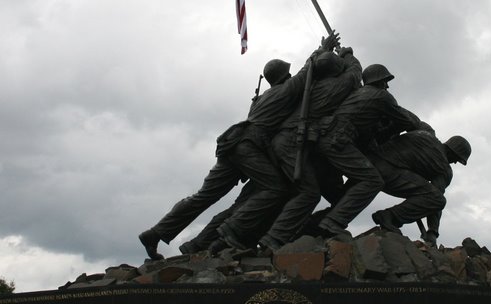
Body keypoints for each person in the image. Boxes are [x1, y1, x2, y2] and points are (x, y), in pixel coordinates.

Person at [138, 34, 338, 260]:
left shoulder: (263, 97)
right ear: (285, 77)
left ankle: (156, 233)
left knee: (204, 196)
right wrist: (323, 49)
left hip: (232, 143)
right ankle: (230, 232)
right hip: (248, 146)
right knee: (276, 189)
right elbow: (307, 73)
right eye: (288, 74)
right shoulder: (284, 92)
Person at [256, 46, 362, 252]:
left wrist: (323, 49)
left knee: (306, 191)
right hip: (290, 143)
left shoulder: (306, 86)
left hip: (285, 143)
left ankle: (297, 231)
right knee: (309, 193)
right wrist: (348, 55)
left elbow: (307, 68)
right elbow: (354, 74)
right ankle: (274, 238)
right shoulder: (334, 87)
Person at [312, 63, 420, 236]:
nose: (387, 85)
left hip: (326, 139)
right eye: (386, 81)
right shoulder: (382, 97)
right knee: (373, 181)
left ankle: (313, 225)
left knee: (341, 194)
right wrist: (389, 130)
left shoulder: (357, 94)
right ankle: (332, 223)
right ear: (379, 81)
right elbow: (408, 122)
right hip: (338, 140)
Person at [368, 129, 471, 245]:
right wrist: (433, 232)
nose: (455, 162)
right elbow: (435, 200)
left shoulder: (425, 134)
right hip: (387, 172)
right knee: (437, 199)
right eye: (457, 159)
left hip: (369, 160)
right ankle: (389, 216)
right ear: (453, 152)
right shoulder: (444, 169)